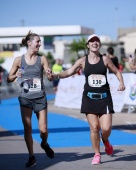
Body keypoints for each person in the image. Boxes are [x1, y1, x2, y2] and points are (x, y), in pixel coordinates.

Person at [52, 34, 125, 165]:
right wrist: (56, 75)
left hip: (104, 98)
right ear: (88, 45)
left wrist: (121, 83)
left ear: (99, 44)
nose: (94, 43)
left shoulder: (105, 59)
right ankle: (97, 154)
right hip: (89, 98)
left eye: (97, 41)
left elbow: (117, 72)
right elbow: (68, 72)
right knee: (94, 127)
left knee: (106, 128)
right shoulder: (82, 61)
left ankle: (106, 141)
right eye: (92, 41)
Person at [7, 31, 54, 168]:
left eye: (40, 42)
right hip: (25, 98)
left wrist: (50, 74)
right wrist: (15, 74)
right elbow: (8, 78)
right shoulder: (18, 60)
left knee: (43, 130)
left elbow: (48, 73)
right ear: (29, 43)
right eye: (37, 41)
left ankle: (44, 143)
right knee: (27, 128)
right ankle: (31, 156)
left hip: (40, 97)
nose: (39, 44)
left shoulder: (42, 58)